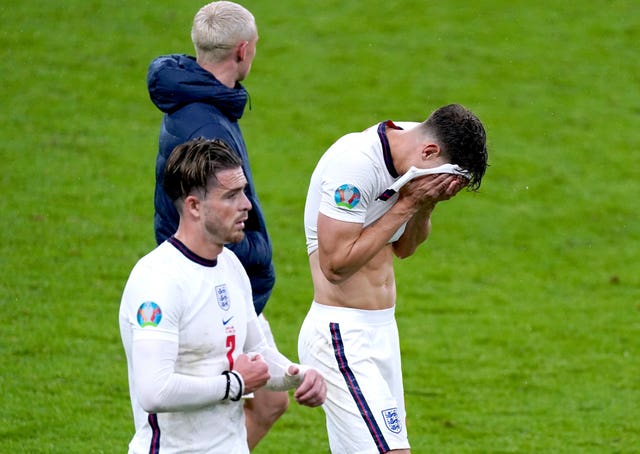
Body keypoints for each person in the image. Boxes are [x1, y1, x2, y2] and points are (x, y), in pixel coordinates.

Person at [298, 104, 488, 453]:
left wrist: (426, 204)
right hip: (341, 336)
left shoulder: (417, 154)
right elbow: (335, 266)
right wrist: (406, 203)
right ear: (430, 151)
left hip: (382, 332)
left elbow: (404, 248)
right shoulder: (355, 164)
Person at [120, 138, 326, 454]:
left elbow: (258, 354)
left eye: (243, 191)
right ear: (193, 206)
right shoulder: (158, 281)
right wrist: (236, 385)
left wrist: (299, 374)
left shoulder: (229, 264)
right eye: (231, 196)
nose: (247, 204)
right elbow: (154, 391)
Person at [146, 2, 286, 448]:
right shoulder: (205, 122)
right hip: (210, 277)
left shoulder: (202, 102)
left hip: (220, 271)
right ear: (243, 50)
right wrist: (254, 254)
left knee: (269, 400)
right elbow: (207, 211)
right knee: (218, 407)